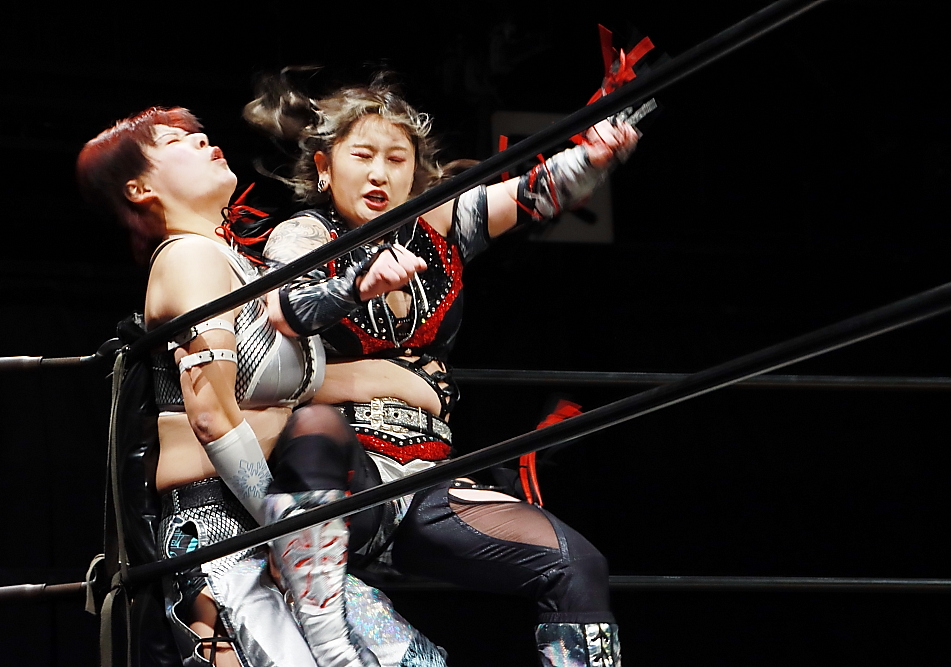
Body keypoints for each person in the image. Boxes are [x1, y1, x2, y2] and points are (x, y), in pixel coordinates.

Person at [243, 74, 640, 666]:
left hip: (428, 480)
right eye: (362, 156)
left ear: (414, 172)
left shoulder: (439, 225)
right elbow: (287, 309)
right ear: (325, 167)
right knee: (315, 426)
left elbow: (533, 193)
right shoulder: (305, 234)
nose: (379, 173)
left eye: (396, 159)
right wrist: (356, 285)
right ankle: (324, 634)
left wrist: (594, 155)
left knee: (577, 564)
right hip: (347, 478)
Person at [77, 107, 447, 667]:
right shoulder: (188, 255)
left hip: (280, 527)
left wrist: (386, 375)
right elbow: (209, 417)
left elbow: (282, 399)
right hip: (226, 530)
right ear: (140, 188)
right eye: (177, 142)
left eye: (201, 134)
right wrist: (285, 524)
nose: (204, 142)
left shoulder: (238, 266)